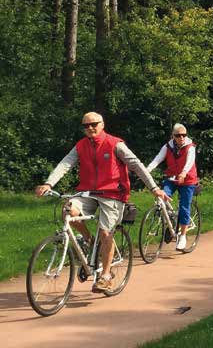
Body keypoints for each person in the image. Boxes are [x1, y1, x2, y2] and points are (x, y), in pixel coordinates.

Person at [35, 112, 170, 293]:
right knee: (67, 210)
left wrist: (154, 189)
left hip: (113, 195)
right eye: (86, 125)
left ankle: (105, 276)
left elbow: (136, 165)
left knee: (106, 233)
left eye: (94, 124)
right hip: (88, 193)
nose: (90, 128)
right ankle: (90, 241)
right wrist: (49, 183)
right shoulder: (81, 146)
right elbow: (65, 163)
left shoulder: (115, 144)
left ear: (102, 124)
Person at [147, 123, 198, 251]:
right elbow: (158, 159)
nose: (181, 138)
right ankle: (170, 224)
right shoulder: (167, 147)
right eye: (178, 135)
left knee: (184, 207)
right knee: (162, 197)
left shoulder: (190, 147)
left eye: (184, 135)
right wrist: (147, 170)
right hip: (171, 178)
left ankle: (183, 236)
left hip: (187, 180)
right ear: (173, 136)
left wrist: (184, 173)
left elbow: (190, 161)